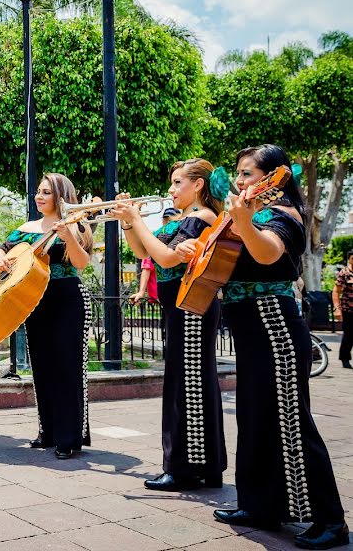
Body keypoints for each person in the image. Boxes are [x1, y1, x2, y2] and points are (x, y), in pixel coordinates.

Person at [178, 145, 347, 549]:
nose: (239, 182)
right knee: (254, 419)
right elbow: (226, 259)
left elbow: (267, 253)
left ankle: (330, 520)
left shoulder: (282, 215)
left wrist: (243, 221)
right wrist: (195, 250)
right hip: (251, 331)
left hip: (277, 329)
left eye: (248, 174)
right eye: (238, 173)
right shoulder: (245, 216)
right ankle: (259, 505)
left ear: (278, 176)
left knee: (291, 423)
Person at [111, 159, 227, 492]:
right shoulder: (182, 220)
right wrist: (129, 224)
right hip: (179, 305)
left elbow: (165, 258)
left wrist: (136, 218)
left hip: (190, 305)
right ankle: (202, 465)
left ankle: (184, 468)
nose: (171, 190)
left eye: (178, 183)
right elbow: (143, 250)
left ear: (198, 186)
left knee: (187, 384)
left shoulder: (201, 218)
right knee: (187, 380)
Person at [0, 173, 93, 458]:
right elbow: (1, 249)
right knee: (42, 368)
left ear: (61, 196)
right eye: (38, 191)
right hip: (35, 300)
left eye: (46, 192)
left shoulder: (76, 223)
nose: (39, 196)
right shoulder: (28, 227)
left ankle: (68, 437)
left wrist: (68, 236)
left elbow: (81, 263)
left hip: (67, 298)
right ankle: (47, 430)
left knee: (67, 369)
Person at [129, 208, 181, 306]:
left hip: (168, 291)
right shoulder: (157, 238)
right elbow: (146, 267)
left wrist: (141, 292)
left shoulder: (160, 237)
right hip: (163, 292)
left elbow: (146, 268)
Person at [333, 251, 353, 369]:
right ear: (349, 259)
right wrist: (337, 308)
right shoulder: (344, 273)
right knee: (349, 334)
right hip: (348, 310)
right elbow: (336, 291)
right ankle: (345, 359)